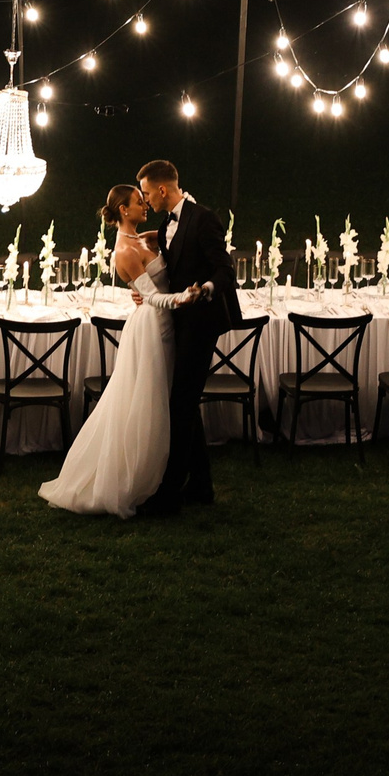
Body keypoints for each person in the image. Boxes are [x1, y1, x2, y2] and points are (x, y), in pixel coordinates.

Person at [38, 184, 207, 518]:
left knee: (170, 398)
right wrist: (182, 298)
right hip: (153, 327)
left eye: (145, 200)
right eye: (139, 203)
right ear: (123, 211)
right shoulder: (125, 252)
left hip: (166, 324)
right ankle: (139, 476)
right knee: (147, 400)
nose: (146, 205)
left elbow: (179, 230)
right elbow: (153, 297)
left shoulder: (144, 237)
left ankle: (180, 476)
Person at [134, 158, 243, 518]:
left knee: (180, 403)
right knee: (184, 401)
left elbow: (224, 269)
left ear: (163, 189)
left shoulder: (203, 218)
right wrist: (146, 290)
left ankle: (169, 495)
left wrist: (207, 289)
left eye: (148, 193)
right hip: (180, 320)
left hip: (201, 321)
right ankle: (201, 486)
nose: (146, 201)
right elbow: (173, 265)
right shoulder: (168, 222)